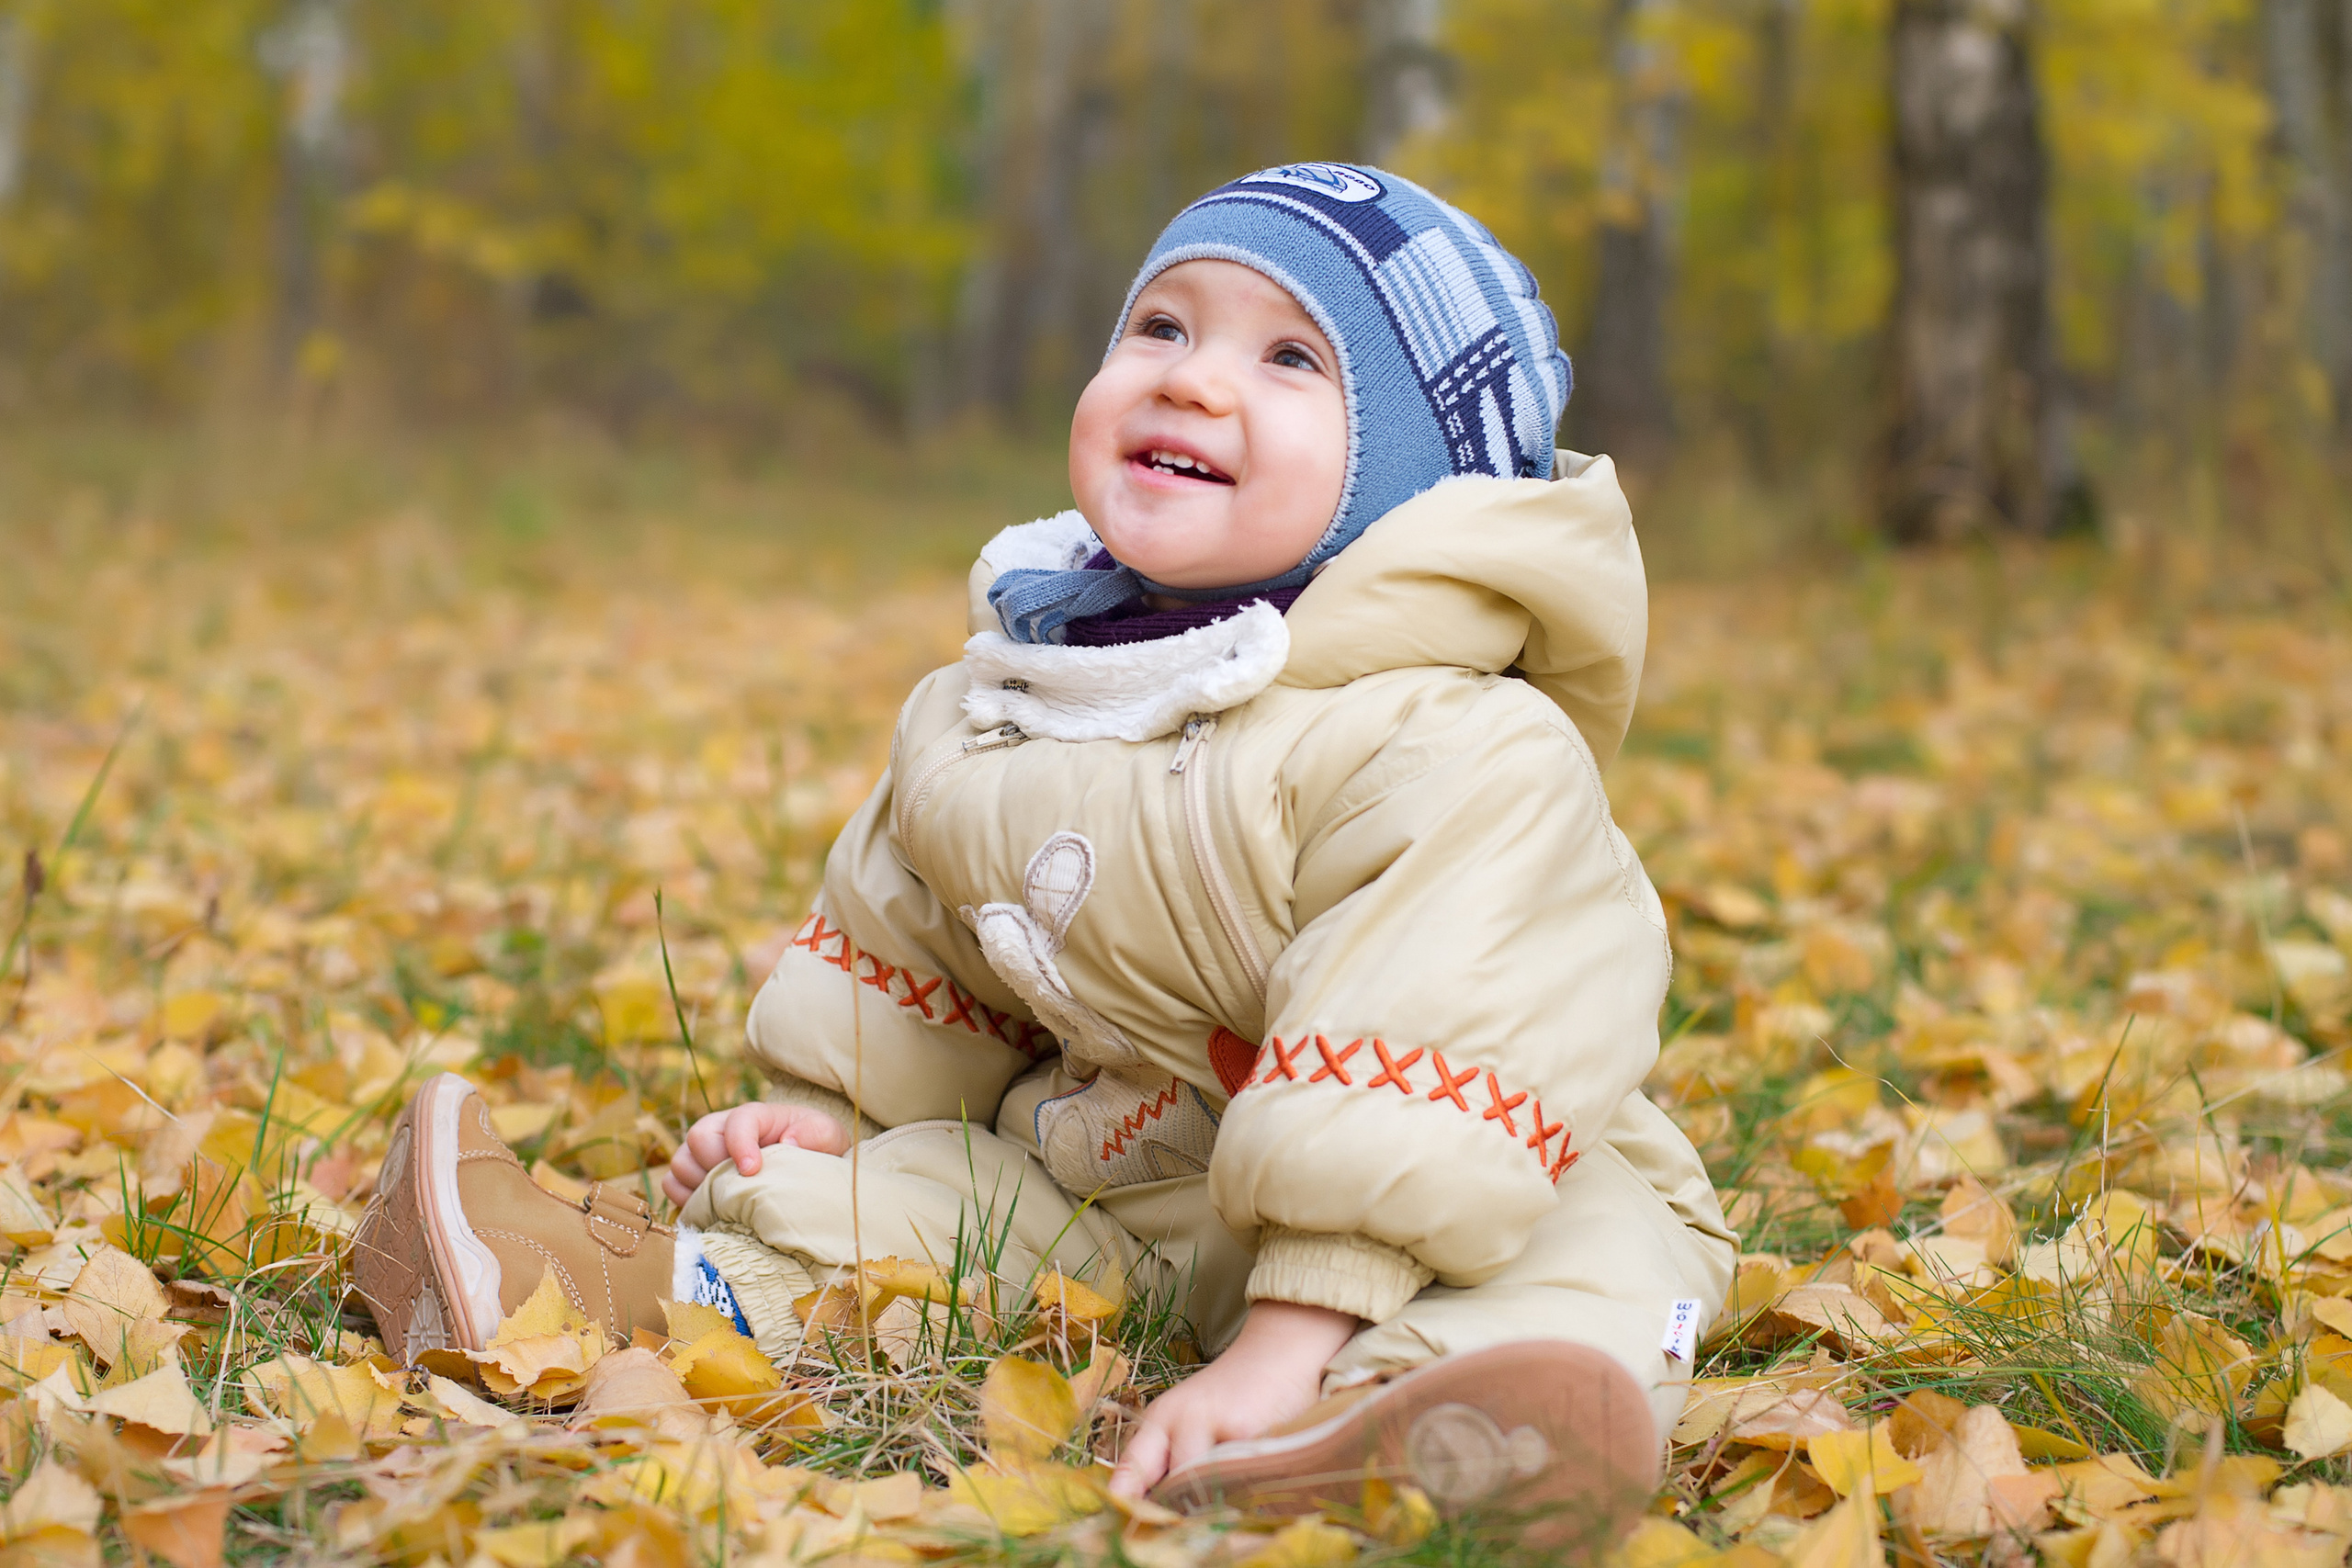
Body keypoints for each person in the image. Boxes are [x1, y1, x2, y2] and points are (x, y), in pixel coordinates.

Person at [352, 162, 1736, 1545]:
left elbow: (1442, 1028)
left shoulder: (1460, 745)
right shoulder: (1009, 699)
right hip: (1119, 1175)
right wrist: (832, 1115)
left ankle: (1388, 1431)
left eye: (1292, 357)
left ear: (1415, 478)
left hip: (1464, 1174)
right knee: (916, 1213)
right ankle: (616, 1297)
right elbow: (912, 933)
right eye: (1161, 328)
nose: (1192, 381)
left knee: (1589, 1273)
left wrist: (1289, 1328)